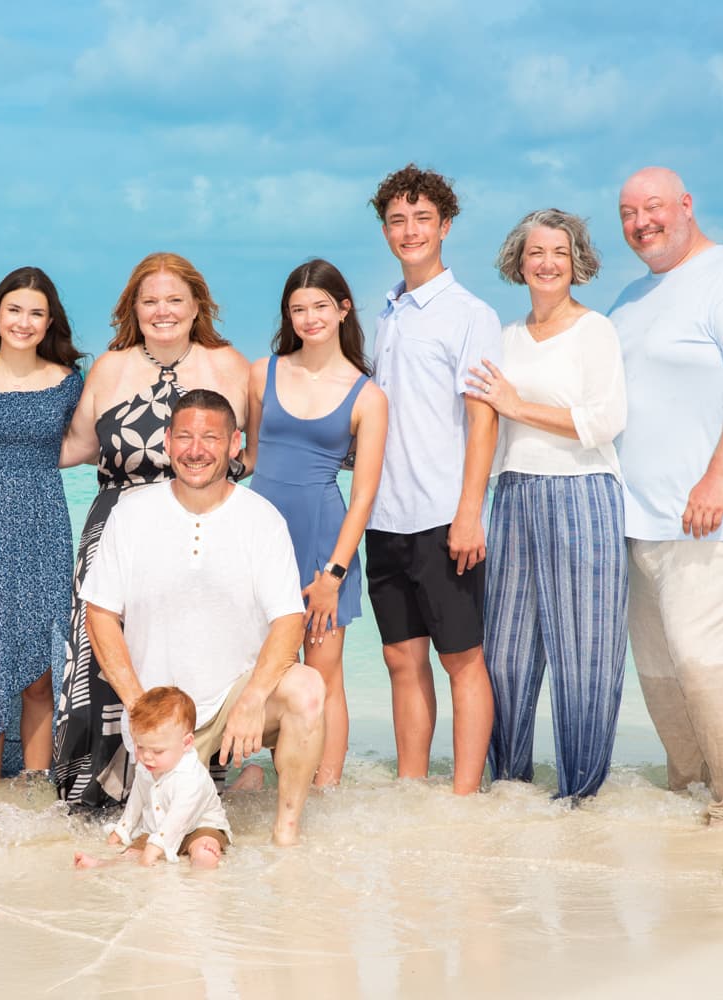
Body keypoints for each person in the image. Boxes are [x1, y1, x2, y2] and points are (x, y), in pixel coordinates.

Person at [610, 167, 723, 823]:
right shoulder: (631, 298)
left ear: (686, 206)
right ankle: (689, 801)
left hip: (716, 517)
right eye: (628, 213)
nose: (642, 223)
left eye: (654, 207)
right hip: (638, 521)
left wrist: (717, 478)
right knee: (662, 673)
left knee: (711, 664)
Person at [78, 389, 323, 844]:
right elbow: (100, 614)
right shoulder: (132, 513)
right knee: (167, 850)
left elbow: (289, 620)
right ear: (167, 442)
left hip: (235, 701)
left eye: (211, 438)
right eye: (185, 437)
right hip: (161, 709)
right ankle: (237, 783)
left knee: (307, 689)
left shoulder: (261, 518)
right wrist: (138, 708)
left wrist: (252, 700)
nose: (196, 450)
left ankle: (286, 834)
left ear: (234, 445)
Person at [52, 253, 250, 808]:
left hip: (203, 529)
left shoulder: (230, 365)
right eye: (150, 301)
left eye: (175, 300)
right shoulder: (110, 368)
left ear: (197, 306)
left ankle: (199, 785)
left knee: (199, 653)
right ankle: (101, 793)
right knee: (106, 660)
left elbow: (253, 453)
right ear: (132, 309)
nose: (163, 311)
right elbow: (77, 447)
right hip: (117, 528)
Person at [465, 209, 629, 800]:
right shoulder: (505, 337)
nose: (547, 263)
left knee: (583, 656)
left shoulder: (595, 331)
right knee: (505, 656)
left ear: (577, 262)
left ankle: (581, 795)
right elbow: (483, 423)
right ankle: (510, 789)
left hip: (583, 493)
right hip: (512, 494)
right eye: (536, 252)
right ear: (519, 262)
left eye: (560, 252)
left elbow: (606, 421)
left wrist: (517, 406)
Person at [365, 164, 502, 793]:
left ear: (445, 226)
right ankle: (412, 791)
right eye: (398, 220)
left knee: (462, 658)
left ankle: (465, 797)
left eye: (423, 218)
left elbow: (482, 420)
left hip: (445, 516)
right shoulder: (387, 313)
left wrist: (469, 513)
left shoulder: (470, 314)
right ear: (386, 231)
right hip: (383, 517)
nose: (410, 230)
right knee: (401, 657)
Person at [245, 259, 387, 788]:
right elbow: (249, 459)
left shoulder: (368, 395)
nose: (310, 318)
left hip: (324, 543)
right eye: (298, 309)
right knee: (254, 664)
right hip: (258, 536)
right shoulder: (262, 373)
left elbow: (364, 495)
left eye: (321, 306)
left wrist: (334, 573)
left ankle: (324, 792)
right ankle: (253, 776)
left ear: (343, 309)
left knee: (323, 674)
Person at [0, 267, 84, 783]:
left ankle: (34, 788)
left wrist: (26, 482)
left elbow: (87, 443)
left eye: (36, 313)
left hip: (47, 532)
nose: (24, 322)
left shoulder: (67, 382)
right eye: (15, 310)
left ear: (50, 322)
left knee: (41, 671)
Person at [73, 686, 232, 869]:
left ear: (186, 743)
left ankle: (200, 872)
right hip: (157, 827)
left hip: (199, 827)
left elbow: (178, 817)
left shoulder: (191, 778)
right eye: (140, 747)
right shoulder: (147, 765)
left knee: (204, 849)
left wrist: (154, 848)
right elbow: (137, 800)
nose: (147, 756)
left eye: (158, 751)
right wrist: (122, 830)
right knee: (132, 853)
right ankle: (104, 864)